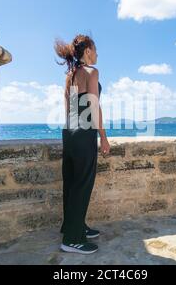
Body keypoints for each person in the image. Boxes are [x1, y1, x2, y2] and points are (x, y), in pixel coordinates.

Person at [54, 34, 111, 254]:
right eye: (95, 50)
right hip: (84, 133)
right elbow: (94, 107)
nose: (97, 54)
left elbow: (69, 108)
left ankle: (74, 226)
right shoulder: (91, 72)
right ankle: (72, 240)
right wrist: (103, 137)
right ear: (87, 50)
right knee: (82, 185)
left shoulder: (71, 74)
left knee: (72, 184)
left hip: (69, 133)